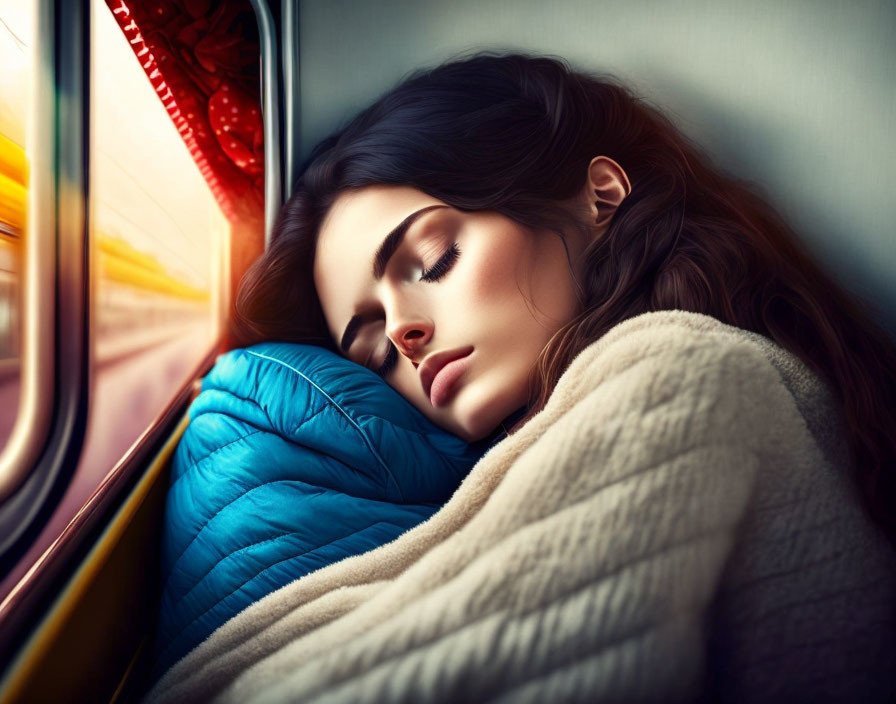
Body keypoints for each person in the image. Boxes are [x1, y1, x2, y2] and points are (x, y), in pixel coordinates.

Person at [223, 51, 896, 700]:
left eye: (432, 261)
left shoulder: (687, 373)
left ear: (600, 196)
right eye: (376, 353)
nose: (404, 333)